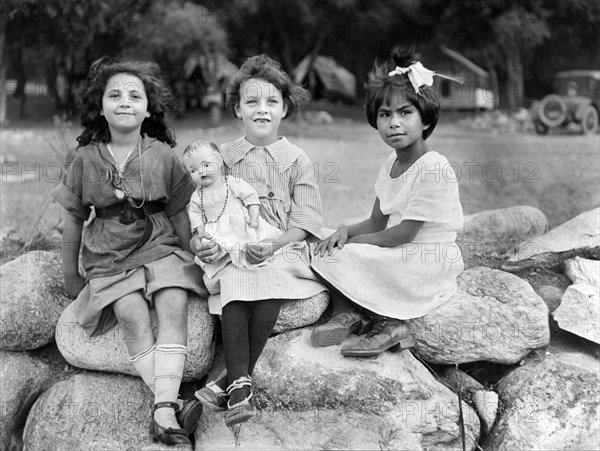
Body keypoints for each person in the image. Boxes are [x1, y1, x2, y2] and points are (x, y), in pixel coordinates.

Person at [50, 58, 205, 447]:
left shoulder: (163, 154)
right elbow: (72, 219)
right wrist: (71, 275)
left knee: (174, 300)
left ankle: (163, 409)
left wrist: (193, 256)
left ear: (148, 108)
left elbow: (180, 214)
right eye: (114, 94)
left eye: (135, 95)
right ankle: (169, 405)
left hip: (159, 243)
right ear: (99, 106)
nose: (125, 101)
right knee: (131, 314)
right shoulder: (85, 158)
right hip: (108, 253)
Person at [192, 55, 327, 426]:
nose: (261, 110)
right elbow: (206, 208)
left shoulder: (297, 159)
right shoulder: (224, 159)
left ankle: (231, 381)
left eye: (271, 102)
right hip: (234, 246)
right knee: (235, 278)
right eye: (251, 102)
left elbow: (307, 218)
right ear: (237, 108)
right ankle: (239, 385)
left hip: (283, 245)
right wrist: (204, 240)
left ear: (285, 107)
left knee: (273, 279)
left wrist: (277, 244)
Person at [311, 46, 464, 358]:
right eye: (385, 114)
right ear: (375, 120)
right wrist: (344, 233)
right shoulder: (390, 164)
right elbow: (376, 222)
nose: (394, 122)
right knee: (324, 241)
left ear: (425, 120)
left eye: (405, 112)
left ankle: (390, 324)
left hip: (428, 256)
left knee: (348, 254)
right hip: (404, 247)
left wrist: (352, 245)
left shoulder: (433, 166)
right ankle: (352, 312)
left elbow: (402, 233)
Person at [183, 140, 283, 282]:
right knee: (216, 251)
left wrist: (253, 218)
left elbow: (251, 197)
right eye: (193, 170)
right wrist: (201, 231)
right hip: (217, 230)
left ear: (218, 160)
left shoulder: (231, 182)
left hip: (241, 224)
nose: (201, 172)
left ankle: (254, 263)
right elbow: (195, 215)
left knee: (254, 244)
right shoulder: (197, 195)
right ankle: (226, 271)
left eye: (206, 165)